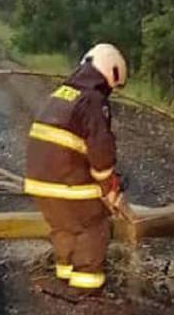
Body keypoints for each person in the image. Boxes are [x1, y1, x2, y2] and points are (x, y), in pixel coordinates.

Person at [24, 43, 128, 297]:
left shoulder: (61, 93)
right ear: (111, 73)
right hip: (67, 183)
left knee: (63, 227)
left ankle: (65, 275)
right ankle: (86, 288)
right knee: (92, 226)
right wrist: (109, 189)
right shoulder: (93, 100)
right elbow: (101, 151)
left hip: (39, 183)